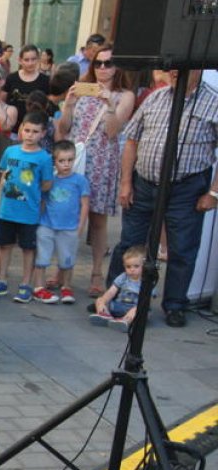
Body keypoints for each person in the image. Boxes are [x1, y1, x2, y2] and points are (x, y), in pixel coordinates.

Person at [112, 68, 218, 328]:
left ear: (197, 69)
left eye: (180, 68)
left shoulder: (213, 102)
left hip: (187, 187)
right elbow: (132, 141)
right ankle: (113, 296)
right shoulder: (155, 98)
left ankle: (174, 305)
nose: (173, 72)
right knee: (129, 242)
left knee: (182, 248)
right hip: (145, 184)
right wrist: (126, 183)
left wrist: (214, 192)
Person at [56, 44, 135, 299]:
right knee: (69, 214)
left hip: (103, 160)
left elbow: (113, 132)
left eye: (108, 63)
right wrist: (68, 105)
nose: (102, 68)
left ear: (117, 67)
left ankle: (97, 273)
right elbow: (65, 129)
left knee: (99, 219)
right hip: (76, 160)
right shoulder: (82, 90)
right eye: (98, 63)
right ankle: (62, 268)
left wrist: (109, 104)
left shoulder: (125, 95)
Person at [0, 112, 55, 303]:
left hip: (29, 211)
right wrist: (1, 200)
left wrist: (31, 192)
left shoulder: (44, 157)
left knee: (28, 248)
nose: (30, 135)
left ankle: (26, 283)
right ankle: (1, 280)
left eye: (35, 131)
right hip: (7, 209)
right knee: (3, 245)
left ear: (43, 134)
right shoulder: (11, 151)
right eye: (27, 130)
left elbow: (47, 184)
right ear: (21, 130)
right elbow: (4, 175)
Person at [31, 141, 91, 304]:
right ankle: (38, 287)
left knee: (67, 260)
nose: (66, 164)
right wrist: (37, 221)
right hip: (47, 224)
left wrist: (81, 225)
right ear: (55, 161)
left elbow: (85, 203)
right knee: (42, 258)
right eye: (62, 161)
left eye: (70, 160)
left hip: (70, 226)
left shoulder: (80, 181)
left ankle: (66, 286)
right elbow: (43, 201)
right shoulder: (50, 179)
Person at [91, 245, 146, 331]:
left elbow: (147, 299)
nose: (132, 269)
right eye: (128, 266)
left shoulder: (146, 281)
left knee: (139, 309)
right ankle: (104, 315)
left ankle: (125, 321)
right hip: (119, 305)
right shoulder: (123, 277)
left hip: (133, 308)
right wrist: (103, 301)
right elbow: (111, 292)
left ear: (144, 266)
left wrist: (137, 308)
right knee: (99, 300)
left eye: (136, 266)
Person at [4, 45, 51, 134]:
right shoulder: (12, 78)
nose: (30, 63)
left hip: (35, 131)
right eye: (26, 60)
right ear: (20, 60)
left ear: (38, 59)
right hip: (13, 129)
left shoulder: (45, 80)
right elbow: (3, 102)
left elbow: (48, 104)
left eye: (33, 59)